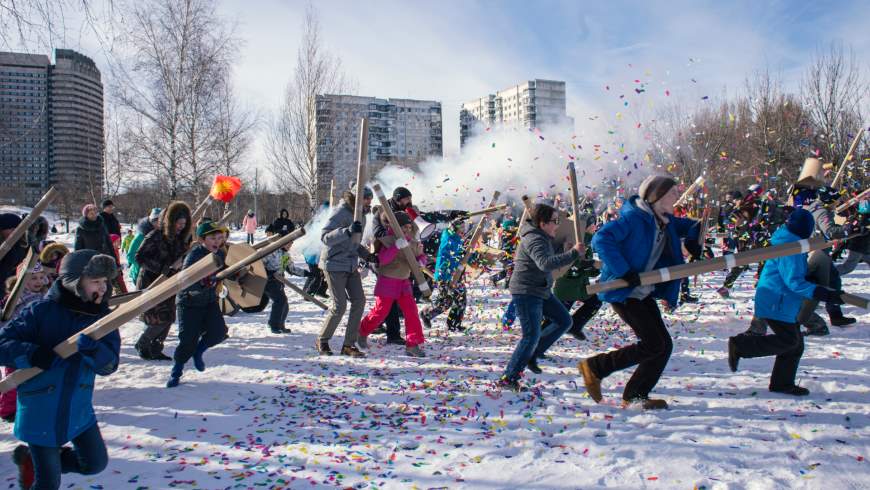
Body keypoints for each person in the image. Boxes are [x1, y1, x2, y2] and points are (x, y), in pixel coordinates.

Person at [0, 250, 120, 489]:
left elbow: (109, 365)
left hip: (78, 407)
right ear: (74, 282)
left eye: (105, 281)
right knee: (47, 483)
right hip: (40, 409)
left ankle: (30, 460)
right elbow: (3, 344)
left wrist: (95, 352)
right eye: (96, 281)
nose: (103, 288)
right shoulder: (40, 312)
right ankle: (37, 461)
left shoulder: (103, 320)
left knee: (95, 463)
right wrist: (32, 353)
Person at [578, 175, 700, 410]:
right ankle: (596, 367)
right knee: (654, 343)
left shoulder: (665, 220)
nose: (677, 197)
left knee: (663, 344)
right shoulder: (634, 218)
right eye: (673, 193)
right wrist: (623, 270)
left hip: (642, 290)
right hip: (624, 290)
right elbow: (602, 239)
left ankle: (635, 395)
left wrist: (694, 241)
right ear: (658, 197)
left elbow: (695, 225)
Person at [728, 208, 846, 396]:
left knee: (795, 344)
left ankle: (781, 384)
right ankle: (741, 346)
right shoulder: (790, 248)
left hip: (782, 299)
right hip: (777, 300)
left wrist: (814, 281)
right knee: (790, 341)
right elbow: (794, 282)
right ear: (805, 229)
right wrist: (820, 292)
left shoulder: (791, 241)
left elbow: (795, 275)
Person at [498, 203, 581, 392]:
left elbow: (545, 258)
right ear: (542, 223)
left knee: (564, 320)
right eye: (554, 221)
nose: (557, 225)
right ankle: (508, 377)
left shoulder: (542, 236)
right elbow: (544, 263)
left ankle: (533, 353)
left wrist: (565, 250)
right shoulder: (534, 238)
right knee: (530, 335)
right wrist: (573, 253)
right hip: (527, 291)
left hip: (541, 290)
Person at [371, 186, 465, 344]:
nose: (408, 202)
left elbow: (429, 217)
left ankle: (385, 326)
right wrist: (396, 239)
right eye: (405, 199)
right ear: (397, 199)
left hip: (406, 259)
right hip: (388, 260)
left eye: (410, 198)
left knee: (403, 299)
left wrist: (451, 214)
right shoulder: (382, 212)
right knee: (389, 299)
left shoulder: (411, 210)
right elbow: (378, 233)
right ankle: (389, 332)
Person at [167, 221, 229, 388]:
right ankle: (177, 371)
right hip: (189, 302)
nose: (217, 241)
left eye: (220, 238)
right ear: (203, 240)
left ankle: (198, 352)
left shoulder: (221, 254)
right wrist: (203, 282)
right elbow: (185, 281)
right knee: (187, 340)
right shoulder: (194, 255)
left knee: (219, 332)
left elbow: (224, 272)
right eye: (212, 238)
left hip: (209, 301)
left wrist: (236, 275)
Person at [358, 211, 428, 357]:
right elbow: (383, 259)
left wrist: (421, 261)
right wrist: (396, 246)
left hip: (404, 282)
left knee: (411, 313)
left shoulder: (412, 242)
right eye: (404, 227)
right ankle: (361, 332)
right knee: (380, 312)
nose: (407, 230)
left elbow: (421, 256)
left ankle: (412, 344)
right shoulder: (387, 240)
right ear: (396, 227)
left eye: (409, 227)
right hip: (388, 281)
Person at [316, 189, 373, 358]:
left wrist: (367, 255)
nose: (370, 201)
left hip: (350, 264)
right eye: (366, 198)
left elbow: (354, 243)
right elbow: (325, 237)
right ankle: (322, 339)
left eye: (370, 198)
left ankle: (349, 344)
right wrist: (346, 231)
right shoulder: (341, 212)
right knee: (339, 305)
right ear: (357, 198)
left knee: (359, 301)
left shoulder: (362, 214)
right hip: (334, 264)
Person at [134, 202, 191, 361]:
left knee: (169, 317)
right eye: (178, 223)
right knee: (159, 318)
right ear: (170, 222)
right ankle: (143, 344)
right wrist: (163, 268)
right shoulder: (155, 236)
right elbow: (139, 257)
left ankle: (156, 347)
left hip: (170, 282)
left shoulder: (180, 239)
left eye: (183, 224)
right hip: (151, 282)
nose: (181, 227)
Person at [0, 260, 51, 424]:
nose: (38, 281)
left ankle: (33, 404)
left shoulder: (45, 296)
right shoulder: (13, 299)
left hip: (36, 344)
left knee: (35, 378)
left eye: (40, 277)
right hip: (16, 345)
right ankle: (7, 410)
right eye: (32, 278)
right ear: (21, 280)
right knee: (14, 380)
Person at [420, 219, 471, 333]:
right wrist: (464, 249)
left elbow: (460, 254)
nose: (463, 230)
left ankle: (453, 324)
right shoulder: (448, 237)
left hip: (455, 274)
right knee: (446, 301)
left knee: (459, 299)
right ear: (454, 228)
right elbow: (453, 252)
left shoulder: (456, 238)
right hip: (445, 275)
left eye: (464, 227)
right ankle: (426, 314)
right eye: (461, 228)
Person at [262, 224, 290, 334]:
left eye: (291, 243)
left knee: (284, 304)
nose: (290, 245)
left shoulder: (285, 254)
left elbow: (291, 268)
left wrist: (308, 273)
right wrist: (268, 273)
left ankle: (280, 325)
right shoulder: (271, 251)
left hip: (279, 282)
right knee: (280, 301)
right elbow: (259, 265)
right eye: (288, 243)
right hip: (268, 281)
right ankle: (273, 324)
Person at [127, 208, 161, 285]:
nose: (158, 223)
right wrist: (142, 266)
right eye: (155, 220)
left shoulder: (160, 234)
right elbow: (130, 256)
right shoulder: (141, 236)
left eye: (160, 220)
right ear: (151, 221)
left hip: (155, 275)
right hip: (140, 274)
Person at [0, 213, 27, 295]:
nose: (15, 231)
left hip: (13, 288)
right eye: (11, 228)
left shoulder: (21, 245)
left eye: (18, 228)